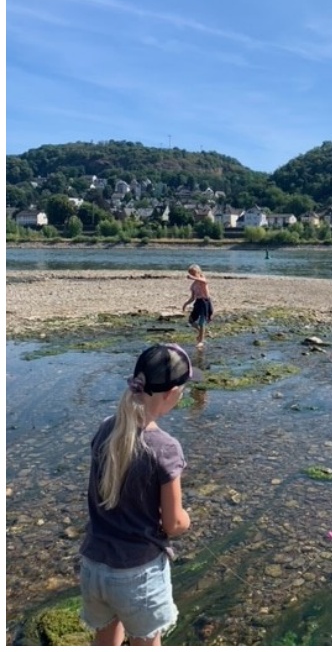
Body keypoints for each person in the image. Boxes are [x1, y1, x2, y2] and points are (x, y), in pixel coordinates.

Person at [79, 344, 192, 646]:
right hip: (137, 575)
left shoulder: (106, 429)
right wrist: (186, 520)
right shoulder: (165, 448)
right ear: (171, 394)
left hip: (93, 567)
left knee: (104, 639)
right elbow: (172, 524)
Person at [181, 265, 213, 349]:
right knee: (191, 320)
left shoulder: (202, 280)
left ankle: (201, 341)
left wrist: (194, 278)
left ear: (199, 272)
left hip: (205, 302)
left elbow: (204, 281)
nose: (192, 275)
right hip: (198, 302)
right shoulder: (193, 286)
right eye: (191, 274)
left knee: (202, 322)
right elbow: (192, 298)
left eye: (194, 273)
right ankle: (201, 333)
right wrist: (186, 304)